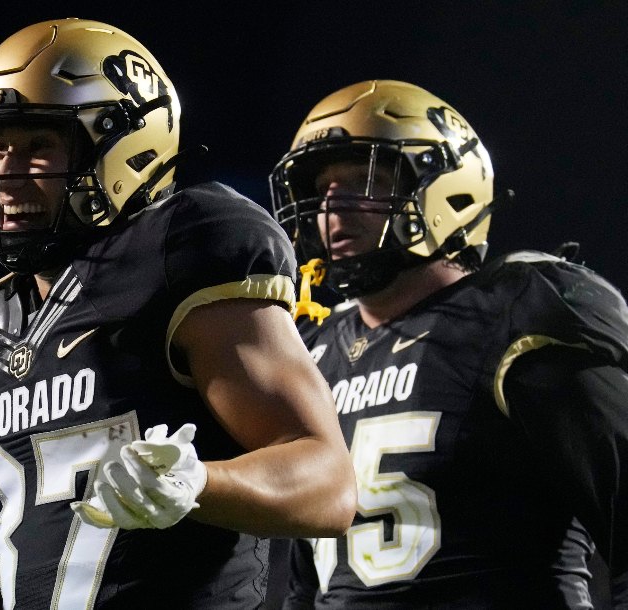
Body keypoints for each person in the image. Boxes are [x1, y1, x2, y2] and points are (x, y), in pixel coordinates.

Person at [0, 18, 357, 608]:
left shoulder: (183, 246)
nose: (3, 172)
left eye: (38, 146)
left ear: (123, 146)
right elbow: (38, 570)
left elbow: (328, 484)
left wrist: (200, 481)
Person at [268, 80, 628, 608]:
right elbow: (304, 577)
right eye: (321, 190)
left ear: (445, 189)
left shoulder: (519, 310)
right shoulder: (314, 349)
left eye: (362, 181)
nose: (332, 209)